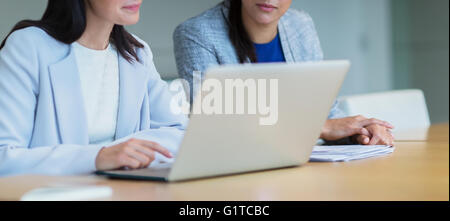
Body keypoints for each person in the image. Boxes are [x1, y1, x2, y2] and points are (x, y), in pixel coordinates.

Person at [0, 0, 187, 176]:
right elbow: (4, 158)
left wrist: (122, 152)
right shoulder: (27, 46)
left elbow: (182, 134)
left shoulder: (137, 53)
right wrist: (98, 157)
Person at [173, 0, 394, 146]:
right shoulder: (197, 33)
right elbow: (219, 123)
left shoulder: (300, 24)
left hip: (303, 169)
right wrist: (323, 128)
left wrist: (358, 131)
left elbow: (325, 112)